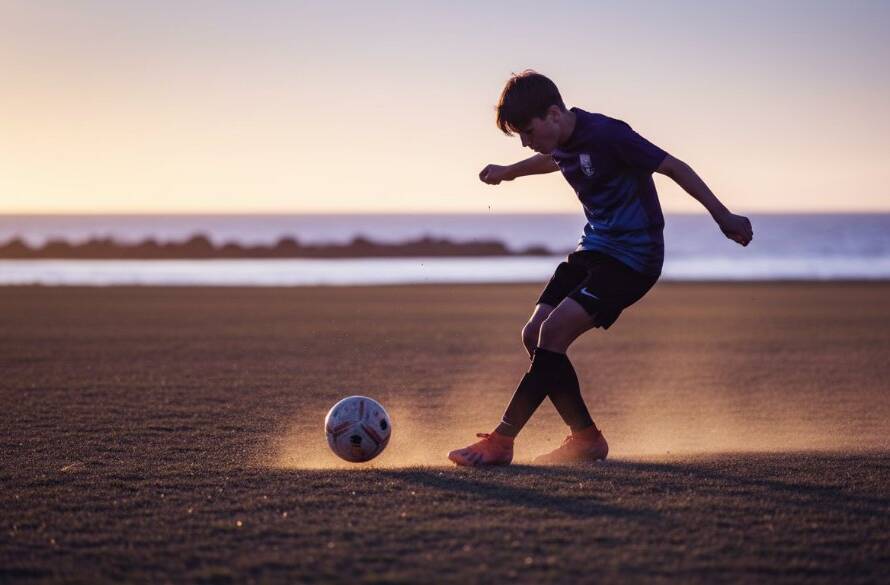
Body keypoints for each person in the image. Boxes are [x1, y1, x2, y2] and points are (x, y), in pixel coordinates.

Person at [448, 70, 753, 466]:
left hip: (634, 258)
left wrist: (723, 216)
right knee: (534, 334)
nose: (526, 141)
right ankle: (586, 439)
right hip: (595, 248)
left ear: (554, 114)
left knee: (553, 332)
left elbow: (674, 166)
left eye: (527, 131)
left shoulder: (610, 135)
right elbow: (552, 159)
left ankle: (503, 440)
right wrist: (509, 172)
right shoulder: (560, 139)